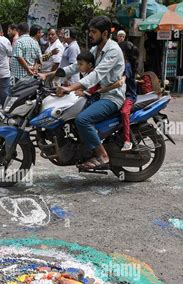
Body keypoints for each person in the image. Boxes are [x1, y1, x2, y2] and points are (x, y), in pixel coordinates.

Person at [56, 16, 125, 170]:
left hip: (111, 97)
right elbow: (76, 66)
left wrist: (71, 87)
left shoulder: (113, 50)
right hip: (97, 94)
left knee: (82, 120)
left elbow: (97, 74)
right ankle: (84, 148)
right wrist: (52, 73)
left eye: (93, 32)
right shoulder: (96, 49)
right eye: (90, 32)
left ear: (105, 33)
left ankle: (103, 155)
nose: (90, 35)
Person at [118, 41, 138, 151]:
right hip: (121, 94)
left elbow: (123, 79)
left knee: (124, 112)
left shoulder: (127, 65)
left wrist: (120, 81)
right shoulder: (122, 63)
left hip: (129, 96)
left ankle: (127, 141)